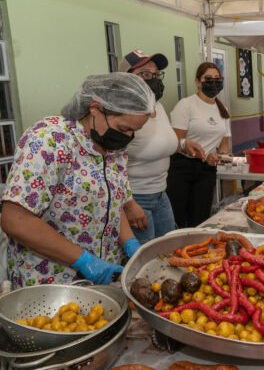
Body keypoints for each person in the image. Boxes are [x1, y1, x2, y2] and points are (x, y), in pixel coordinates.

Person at [0, 73, 155, 287]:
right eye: (123, 129)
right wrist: (83, 260)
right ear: (95, 108)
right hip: (52, 282)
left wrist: (129, 242)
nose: (127, 137)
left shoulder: (114, 149)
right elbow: (15, 220)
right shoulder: (50, 141)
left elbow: (110, 202)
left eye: (134, 131)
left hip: (103, 277)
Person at [119, 50, 205, 244]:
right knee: (146, 260)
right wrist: (128, 204)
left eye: (156, 74)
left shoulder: (157, 106)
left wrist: (183, 144)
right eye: (146, 74)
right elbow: (111, 164)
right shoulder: (122, 114)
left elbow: (162, 142)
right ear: (126, 79)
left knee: (168, 250)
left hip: (160, 192)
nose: (154, 79)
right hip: (137, 197)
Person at [167, 62, 232, 228]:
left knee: (201, 219)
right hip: (181, 169)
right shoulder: (186, 105)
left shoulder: (222, 109)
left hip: (207, 170)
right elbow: (176, 142)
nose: (214, 83)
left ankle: (196, 252)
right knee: (178, 219)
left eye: (217, 79)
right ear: (197, 82)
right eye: (208, 79)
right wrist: (202, 155)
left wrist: (221, 157)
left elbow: (224, 145)